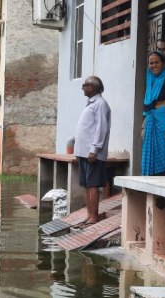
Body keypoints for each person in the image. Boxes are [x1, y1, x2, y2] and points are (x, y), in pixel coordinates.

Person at [74, 76, 111, 225]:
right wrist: (78, 151)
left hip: (92, 153)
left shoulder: (100, 104)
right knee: (86, 185)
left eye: (84, 85)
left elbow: (101, 128)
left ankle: (94, 216)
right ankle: (89, 215)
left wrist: (94, 150)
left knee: (93, 184)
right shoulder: (90, 103)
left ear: (91, 87)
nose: (82, 88)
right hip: (83, 152)